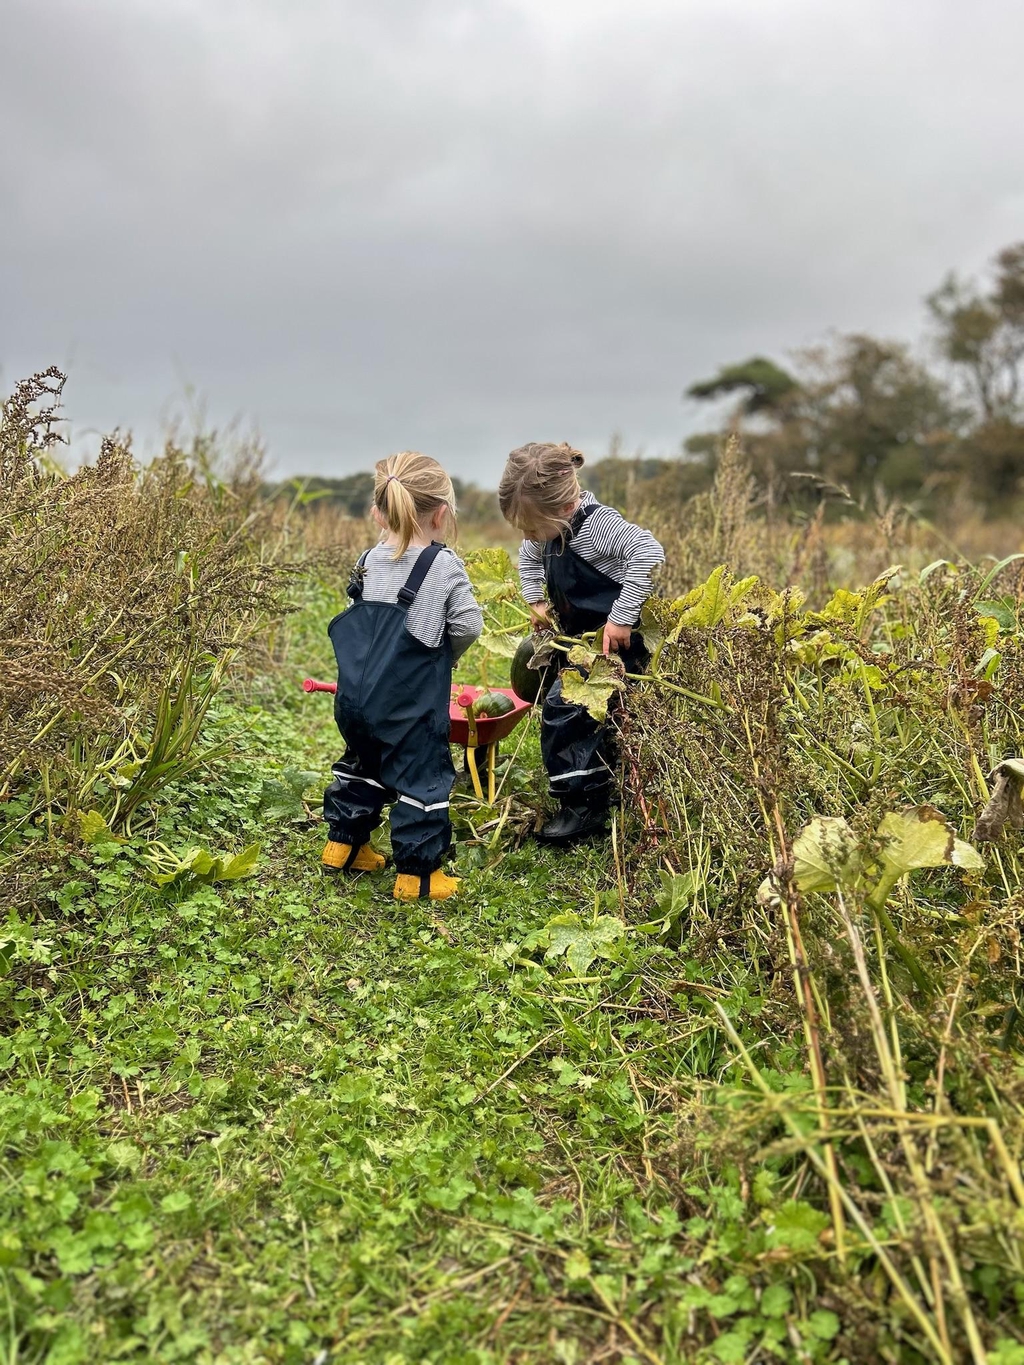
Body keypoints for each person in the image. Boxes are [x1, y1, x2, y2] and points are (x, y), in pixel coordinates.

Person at [321, 452, 482, 900]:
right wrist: (444, 656)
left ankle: (344, 847)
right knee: (421, 779)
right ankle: (419, 876)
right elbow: (468, 624)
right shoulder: (442, 565)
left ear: (378, 512)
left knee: (361, 765)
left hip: (357, 699)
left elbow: (359, 619)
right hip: (410, 702)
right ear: (442, 514)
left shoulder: (367, 560)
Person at [498, 441, 664, 844]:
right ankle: (602, 782)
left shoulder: (597, 527)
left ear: (565, 509)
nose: (529, 536)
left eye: (533, 528)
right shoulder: (545, 533)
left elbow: (649, 552)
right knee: (582, 712)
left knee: (564, 707)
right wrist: (536, 598)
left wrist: (621, 618)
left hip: (618, 643)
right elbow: (529, 556)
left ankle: (583, 807)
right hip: (578, 640)